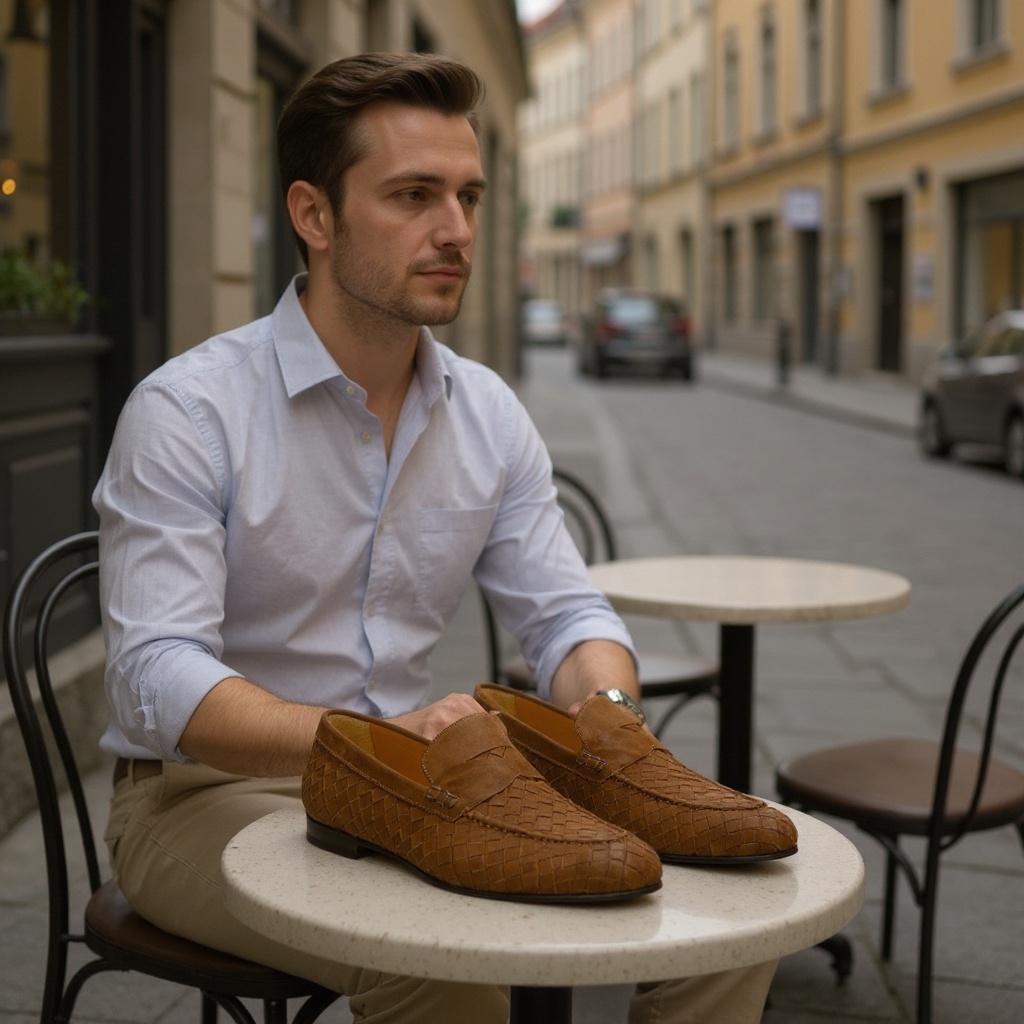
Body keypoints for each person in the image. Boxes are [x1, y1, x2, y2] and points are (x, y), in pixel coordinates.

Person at [94, 52, 776, 1023]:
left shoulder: (486, 413)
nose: (455, 230)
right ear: (314, 215)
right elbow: (156, 678)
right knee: (447, 962)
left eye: (467, 195)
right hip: (207, 795)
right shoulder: (189, 412)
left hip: (421, 786)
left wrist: (609, 711)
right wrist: (376, 741)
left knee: (723, 922)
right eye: (413, 195)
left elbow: (566, 612)